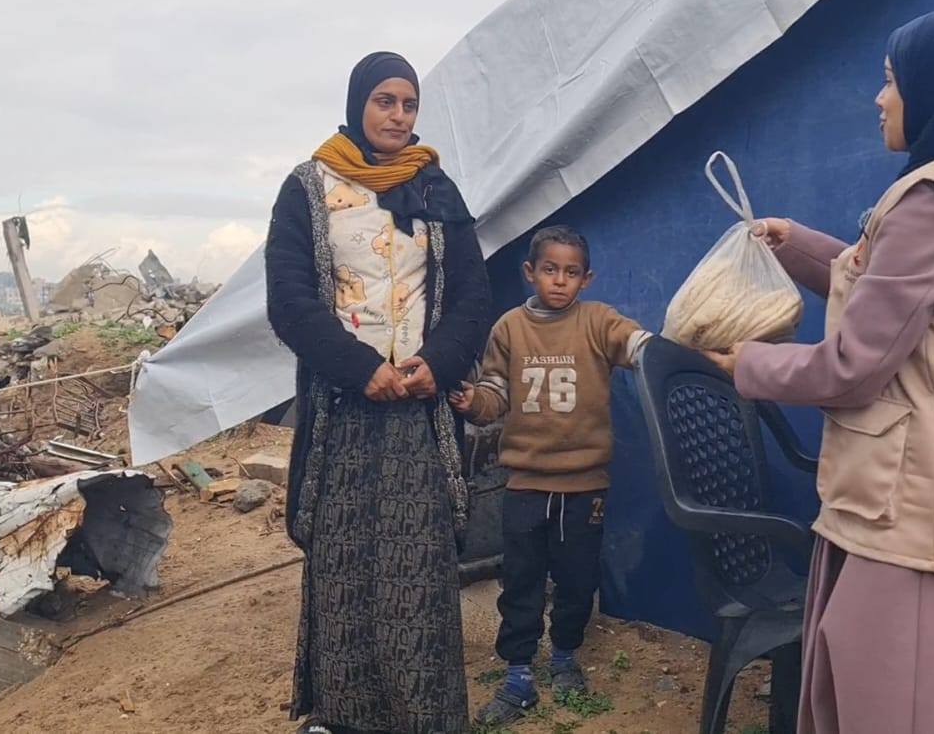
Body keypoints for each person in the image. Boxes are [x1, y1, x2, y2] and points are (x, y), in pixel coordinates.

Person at [702, 8, 934, 733]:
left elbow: (851, 368)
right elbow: (898, 291)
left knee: (903, 703)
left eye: (892, 79)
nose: (879, 97)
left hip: (926, 514)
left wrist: (746, 362)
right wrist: (793, 243)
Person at [265, 51, 492, 734]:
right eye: (384, 101)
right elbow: (290, 301)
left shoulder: (436, 189)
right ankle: (344, 718)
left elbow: (473, 297)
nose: (398, 116)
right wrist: (359, 367)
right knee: (342, 567)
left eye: (408, 104)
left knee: (418, 571)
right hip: (344, 410)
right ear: (358, 103)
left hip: (419, 412)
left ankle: (425, 719)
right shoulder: (308, 187)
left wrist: (437, 362)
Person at [450, 225, 649, 726]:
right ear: (530, 272)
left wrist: (676, 347)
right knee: (521, 580)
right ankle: (518, 673)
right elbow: (494, 394)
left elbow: (637, 345)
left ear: (587, 279)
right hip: (525, 484)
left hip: (585, 487)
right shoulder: (510, 328)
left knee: (577, 579)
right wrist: (474, 401)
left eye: (571, 272)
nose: (560, 281)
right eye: (550, 269)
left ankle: (564, 656)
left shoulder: (597, 321)